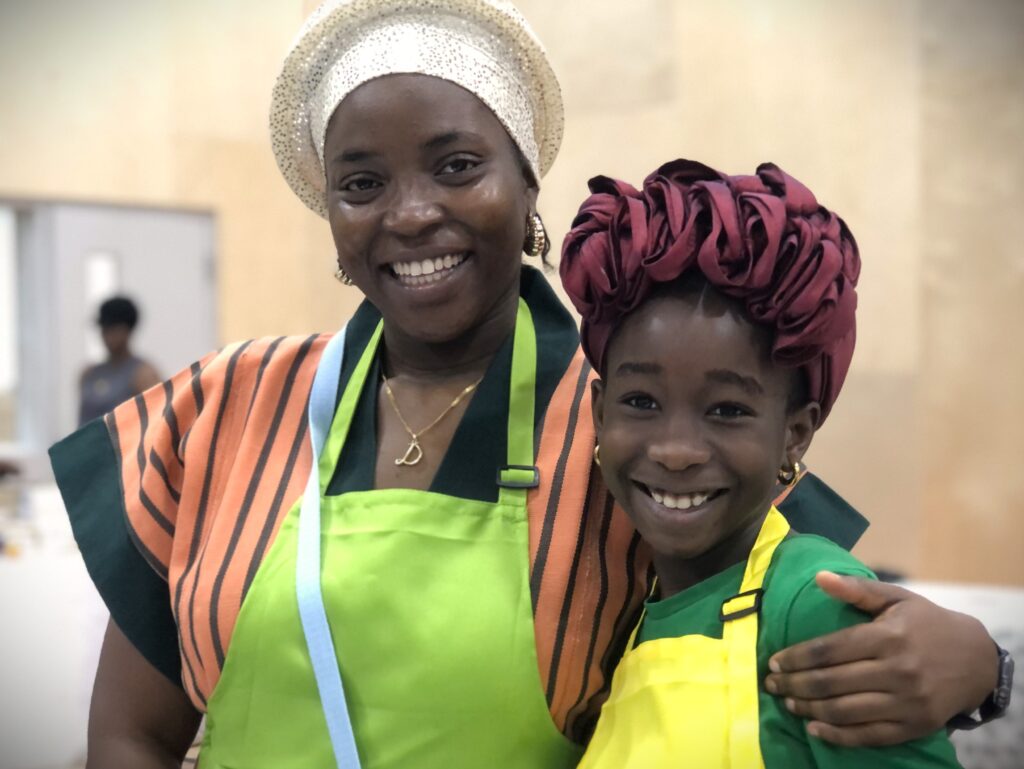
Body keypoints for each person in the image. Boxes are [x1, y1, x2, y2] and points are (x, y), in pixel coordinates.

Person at [48, 1, 1004, 767]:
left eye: (458, 166)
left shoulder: (631, 420)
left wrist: (983, 669)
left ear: (528, 181)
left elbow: (823, 606)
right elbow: (131, 732)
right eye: (362, 182)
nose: (410, 214)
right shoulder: (226, 405)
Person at [561, 160, 963, 767]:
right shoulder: (627, 616)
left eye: (726, 410)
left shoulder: (814, 603)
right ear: (599, 410)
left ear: (795, 435)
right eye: (641, 401)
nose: (675, 450)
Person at [78, 296, 161, 426]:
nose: (107, 335)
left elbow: (158, 419)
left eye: (113, 329)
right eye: (104, 329)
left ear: (127, 330)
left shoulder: (143, 375)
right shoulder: (88, 374)